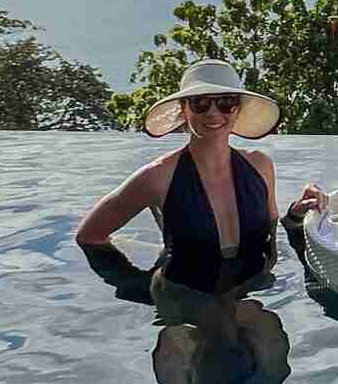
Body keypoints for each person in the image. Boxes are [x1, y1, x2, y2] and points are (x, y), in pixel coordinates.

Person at [76, 59, 282, 326]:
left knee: (270, 353)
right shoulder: (158, 176)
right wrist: (137, 286)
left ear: (238, 109)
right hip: (183, 299)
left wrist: (298, 217)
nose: (213, 113)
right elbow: (90, 235)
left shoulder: (261, 166)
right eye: (200, 103)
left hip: (250, 290)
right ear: (184, 110)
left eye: (226, 102)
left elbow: (272, 236)